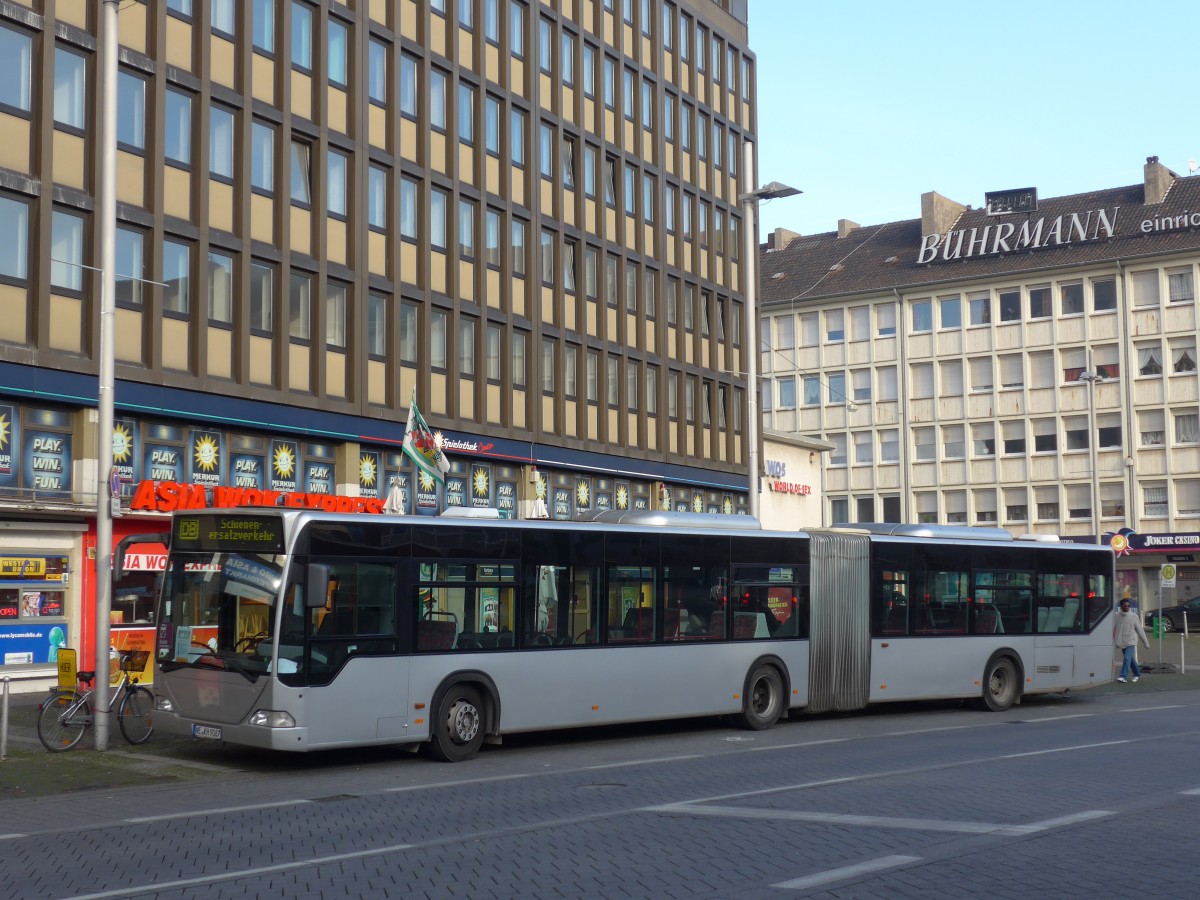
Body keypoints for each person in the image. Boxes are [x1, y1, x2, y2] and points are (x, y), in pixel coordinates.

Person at [1113, 597, 1149, 683]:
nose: (1127, 607)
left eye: (1128, 606)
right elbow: (1115, 629)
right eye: (1125, 606)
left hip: (1131, 640)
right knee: (1130, 659)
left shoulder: (1134, 616)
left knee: (1126, 658)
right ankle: (1137, 673)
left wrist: (1146, 642)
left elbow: (1140, 630)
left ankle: (1123, 676)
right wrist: (1115, 640)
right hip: (1122, 642)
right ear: (1121, 606)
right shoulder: (1117, 616)